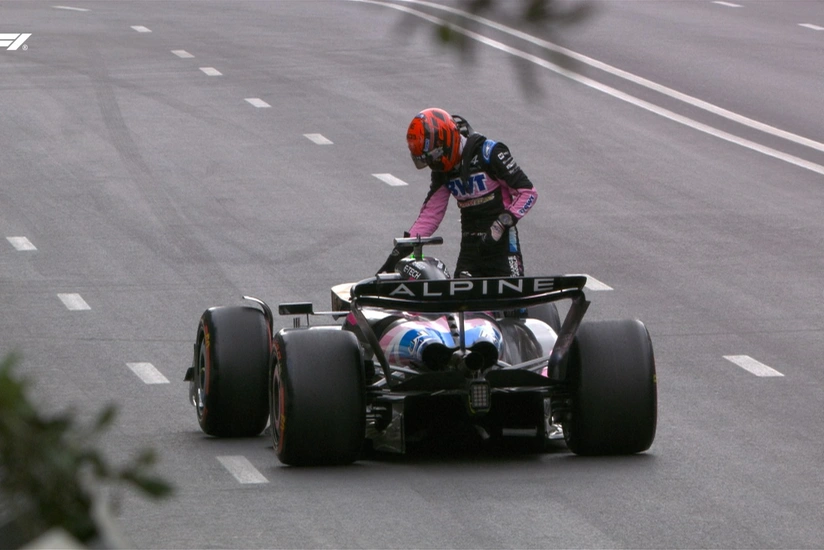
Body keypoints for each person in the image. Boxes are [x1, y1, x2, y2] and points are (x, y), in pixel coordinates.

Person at [378, 108, 537, 278]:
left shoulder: (489, 153)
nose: (434, 165)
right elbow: (430, 214)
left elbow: (528, 193)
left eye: (434, 157)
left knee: (512, 299)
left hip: (502, 242)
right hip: (470, 247)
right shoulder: (442, 171)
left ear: (445, 143)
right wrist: (398, 253)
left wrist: (500, 225)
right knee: (461, 302)